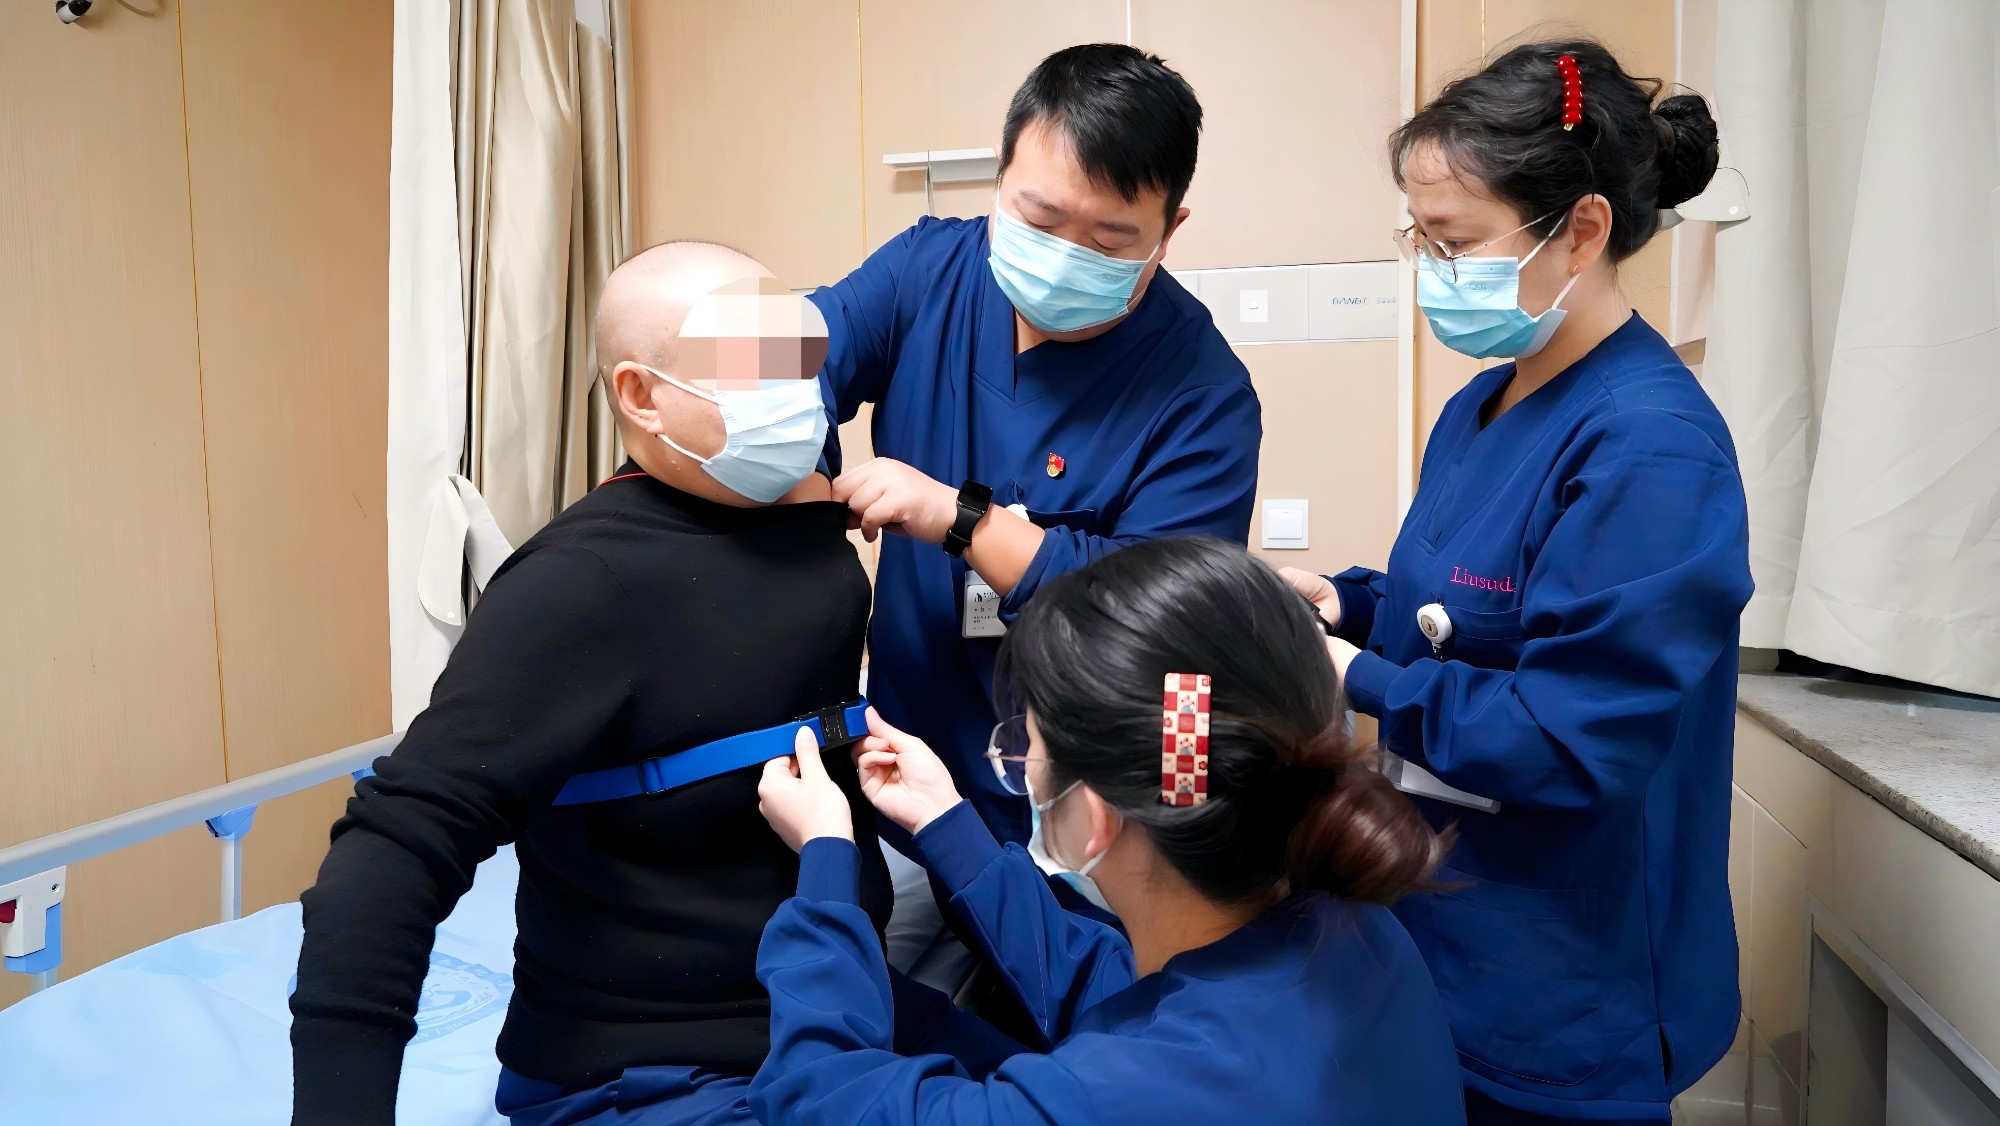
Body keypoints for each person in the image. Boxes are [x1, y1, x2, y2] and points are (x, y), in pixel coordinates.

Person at [289, 242, 893, 1126]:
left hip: (830, 1014)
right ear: (641, 395)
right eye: (749, 362)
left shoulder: (808, 535)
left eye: (796, 356)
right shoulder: (580, 586)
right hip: (655, 1067)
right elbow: (394, 851)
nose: (795, 392)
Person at [1284, 40, 1753, 1125]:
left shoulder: (1649, 446)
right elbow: (1466, 612)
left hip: (1563, 978)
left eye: (1452, 243)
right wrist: (1350, 606)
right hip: (1444, 933)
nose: (1432, 269)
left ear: (1581, 228)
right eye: (1420, 238)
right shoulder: (1481, 406)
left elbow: (1567, 735)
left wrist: (1354, 676)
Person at [809, 39, 1262, 993]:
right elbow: (786, 355)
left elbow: (1160, 626)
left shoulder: (1203, 393)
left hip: (1088, 813)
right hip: (911, 761)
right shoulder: (928, 269)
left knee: (1083, 1008)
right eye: (1038, 217)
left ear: (1171, 227)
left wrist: (961, 519)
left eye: (1109, 240)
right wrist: (726, 414)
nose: (1064, 257)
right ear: (1000, 173)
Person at [751, 537, 1466, 1124]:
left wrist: (828, 867)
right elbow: (1119, 993)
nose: (1019, 765)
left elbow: (818, 1101)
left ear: (1094, 817)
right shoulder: (1357, 934)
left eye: (1025, 749)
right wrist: (945, 822)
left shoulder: (1121, 1096)